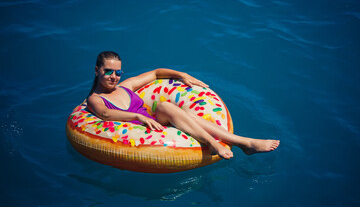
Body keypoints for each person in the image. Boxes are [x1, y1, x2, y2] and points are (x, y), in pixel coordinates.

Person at [86, 51, 280, 159]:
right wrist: (138, 116)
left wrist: (182, 75)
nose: (114, 77)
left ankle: (245, 143)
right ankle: (213, 143)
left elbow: (155, 73)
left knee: (180, 112)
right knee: (165, 107)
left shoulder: (126, 86)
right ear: (97, 70)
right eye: (108, 71)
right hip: (138, 132)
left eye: (118, 72)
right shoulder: (95, 99)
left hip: (155, 123)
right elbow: (104, 114)